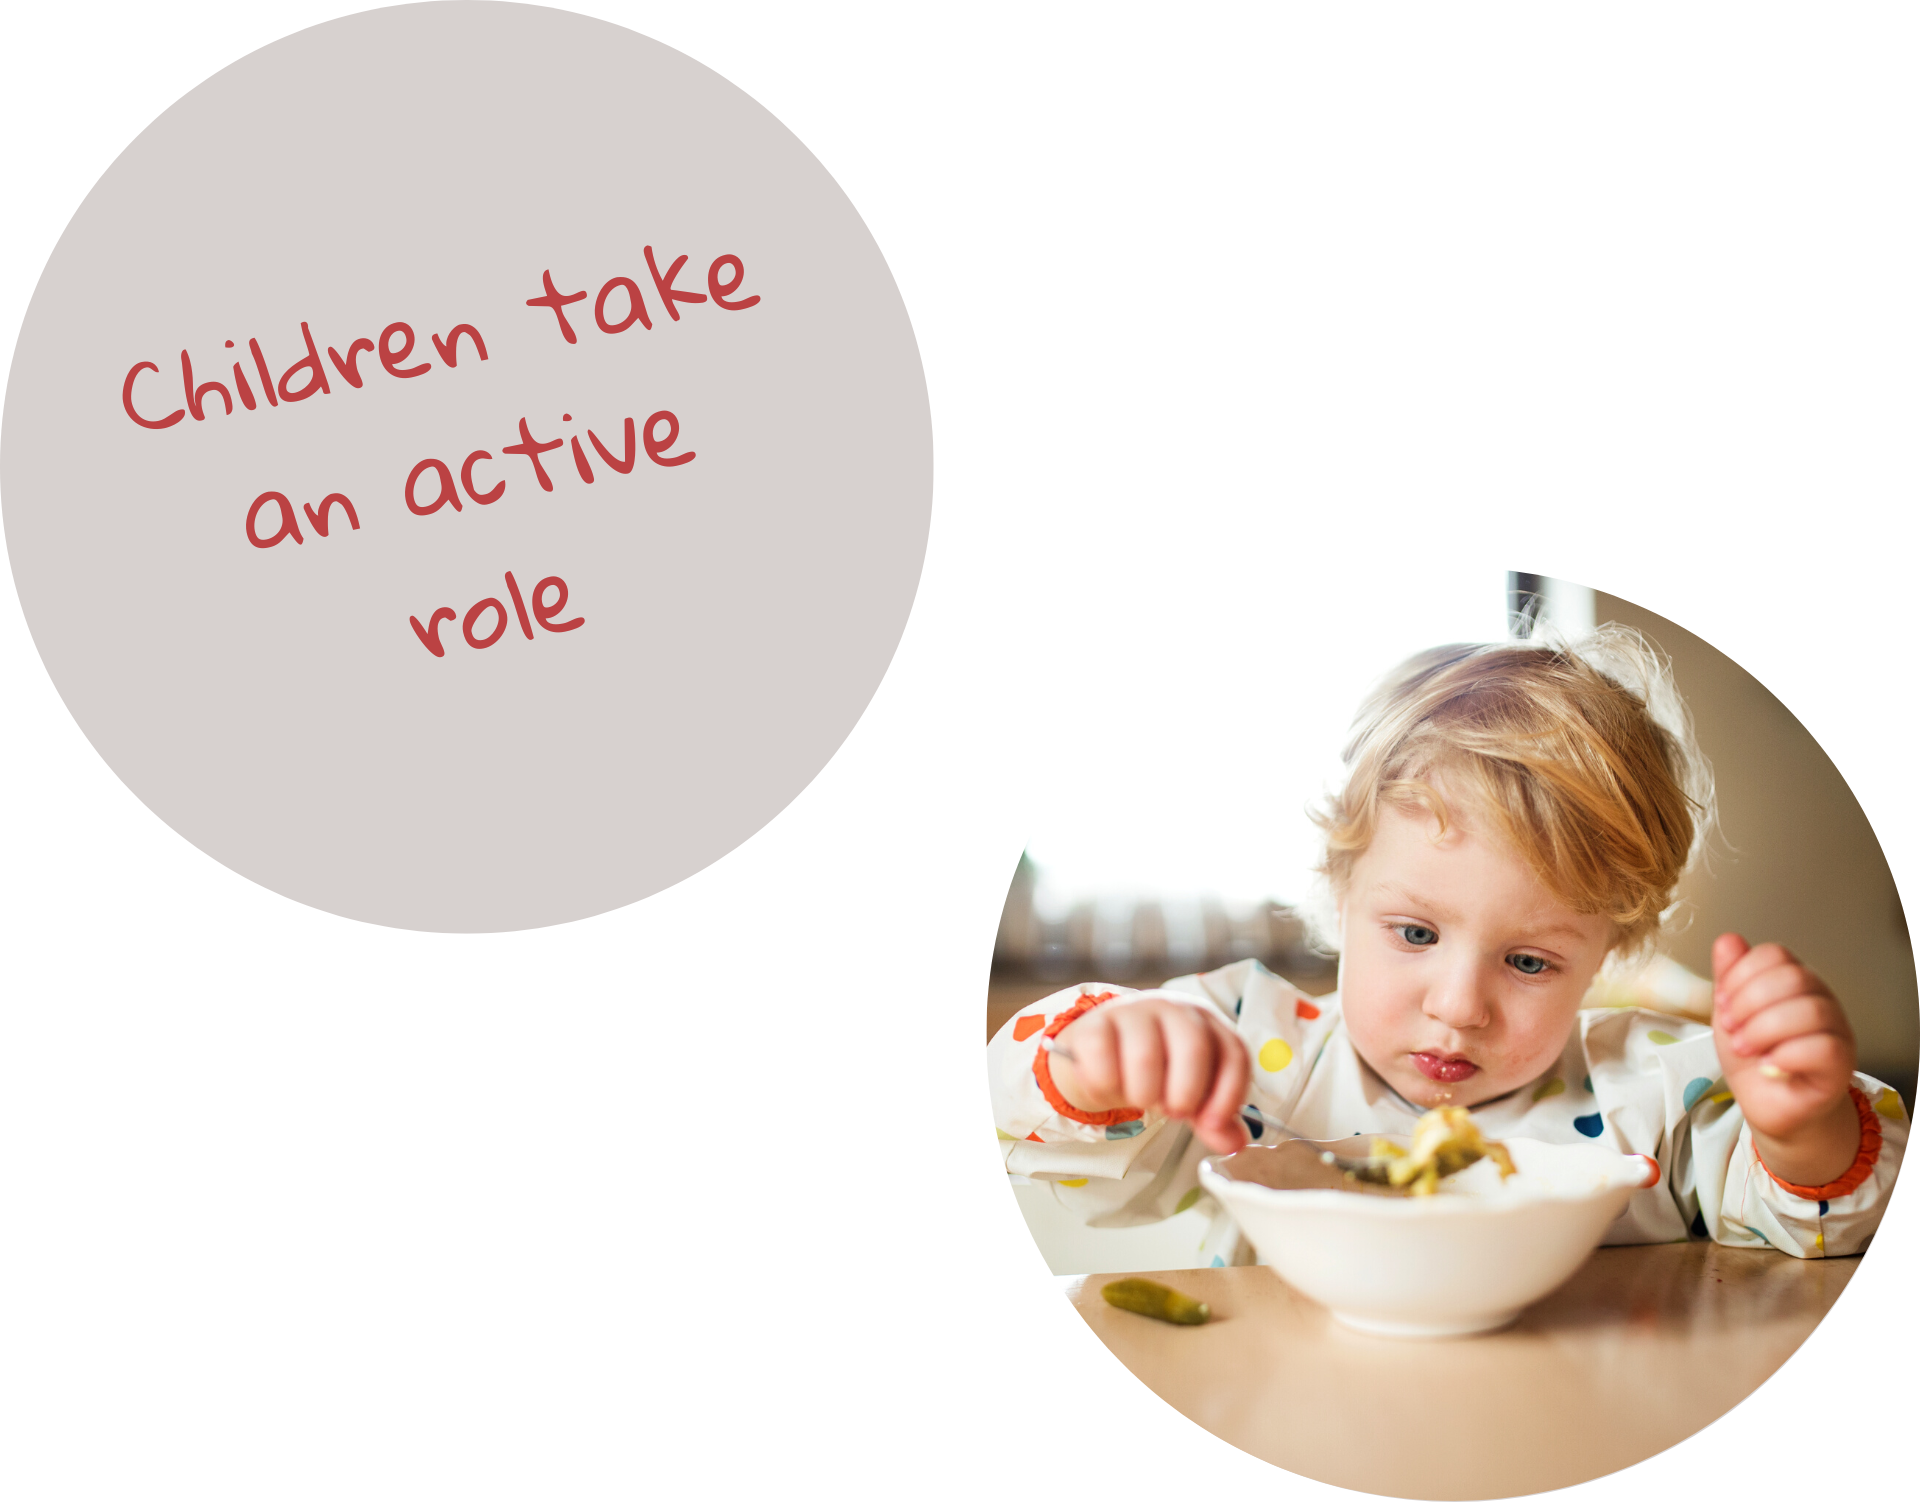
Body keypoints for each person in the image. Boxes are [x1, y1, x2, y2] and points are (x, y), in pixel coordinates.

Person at [989, 627, 1906, 1264]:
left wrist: (1801, 1130)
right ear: (1340, 896)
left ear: (1608, 953)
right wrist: (1097, 1069)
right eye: (1417, 933)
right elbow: (1046, 1144)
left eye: (1531, 961)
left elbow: (1825, 1226)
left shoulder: (1660, 1098)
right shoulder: (1244, 1053)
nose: (1460, 1004)